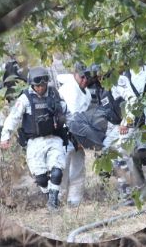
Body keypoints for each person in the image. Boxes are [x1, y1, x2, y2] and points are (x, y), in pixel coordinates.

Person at [0, 67, 68, 211]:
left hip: (54, 138)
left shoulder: (54, 94)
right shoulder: (25, 98)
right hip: (35, 142)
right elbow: (13, 118)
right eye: (38, 85)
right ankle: (50, 196)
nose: (41, 88)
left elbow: (66, 112)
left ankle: (53, 204)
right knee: (41, 178)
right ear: (32, 85)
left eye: (43, 85)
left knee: (56, 172)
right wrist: (5, 137)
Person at [101, 64, 146, 205]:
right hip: (138, 119)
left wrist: (127, 122)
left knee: (144, 153)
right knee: (122, 153)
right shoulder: (109, 86)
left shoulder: (124, 77)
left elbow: (134, 102)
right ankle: (130, 194)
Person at [56, 63, 96, 208]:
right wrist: (76, 137)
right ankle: (57, 198)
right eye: (82, 77)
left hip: (80, 134)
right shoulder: (69, 89)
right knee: (62, 167)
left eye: (87, 77)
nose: (85, 80)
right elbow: (71, 116)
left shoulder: (88, 93)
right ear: (75, 74)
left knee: (78, 166)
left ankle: (75, 199)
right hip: (65, 133)